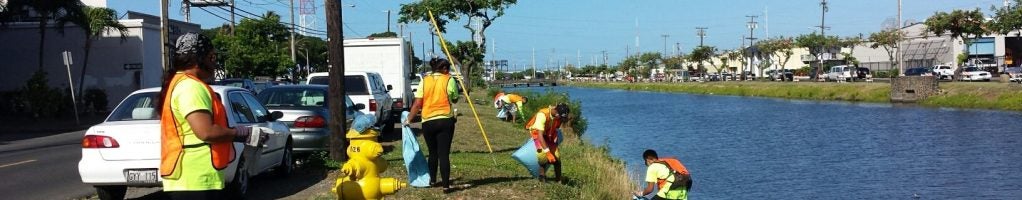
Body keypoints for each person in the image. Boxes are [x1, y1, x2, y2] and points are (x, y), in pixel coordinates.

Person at [157, 33, 257, 199]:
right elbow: (206, 132)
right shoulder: (191, 87)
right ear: (198, 59)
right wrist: (242, 133)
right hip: (196, 178)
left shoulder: (180, 83)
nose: (214, 62)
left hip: (191, 178)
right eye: (211, 57)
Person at [405, 58, 460, 193]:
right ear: (445, 69)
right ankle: (446, 186)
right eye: (448, 69)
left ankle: (433, 180)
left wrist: (409, 119)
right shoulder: (449, 80)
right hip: (445, 120)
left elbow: (418, 104)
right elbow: (455, 98)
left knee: (432, 153)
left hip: (428, 121)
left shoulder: (424, 80)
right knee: (444, 154)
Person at [525, 103, 570, 183]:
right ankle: (542, 176)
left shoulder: (557, 116)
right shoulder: (542, 115)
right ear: (556, 112)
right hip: (537, 133)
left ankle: (558, 180)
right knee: (543, 155)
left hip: (548, 134)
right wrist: (547, 152)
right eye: (560, 116)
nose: (560, 119)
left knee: (557, 157)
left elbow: (556, 126)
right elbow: (540, 135)